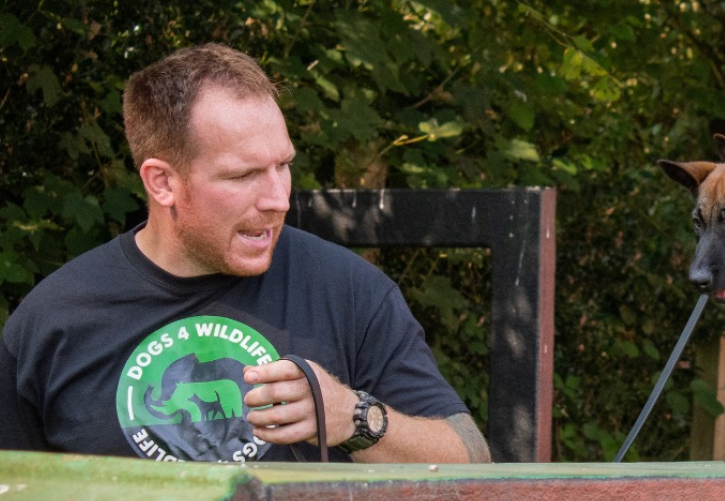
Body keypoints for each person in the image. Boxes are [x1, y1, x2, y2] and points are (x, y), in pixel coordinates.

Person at [0, 44, 489, 465]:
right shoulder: (54, 321)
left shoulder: (348, 290)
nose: (278, 198)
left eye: (284, 165)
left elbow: (470, 457)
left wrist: (353, 417)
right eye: (243, 176)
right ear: (162, 182)